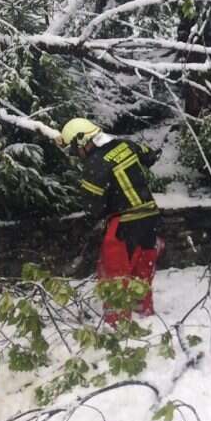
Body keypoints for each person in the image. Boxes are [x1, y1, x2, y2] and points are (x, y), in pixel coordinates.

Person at [59, 118, 164, 326]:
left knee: (115, 275)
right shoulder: (124, 144)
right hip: (150, 216)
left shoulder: (94, 165)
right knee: (143, 268)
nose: (76, 155)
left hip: (124, 223)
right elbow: (150, 155)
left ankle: (118, 323)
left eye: (74, 149)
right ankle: (144, 313)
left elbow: (93, 208)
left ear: (83, 141)